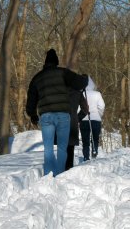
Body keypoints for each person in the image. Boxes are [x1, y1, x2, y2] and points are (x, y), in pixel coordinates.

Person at [26, 49, 88, 177]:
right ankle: (60, 175)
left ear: (45, 62)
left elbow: (31, 97)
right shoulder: (63, 73)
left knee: (48, 149)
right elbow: (79, 83)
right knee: (62, 148)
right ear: (56, 61)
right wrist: (85, 78)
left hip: (46, 116)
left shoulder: (37, 77)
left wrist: (32, 114)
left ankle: (49, 175)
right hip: (62, 115)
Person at [80, 76, 105, 161]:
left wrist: (79, 117)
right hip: (95, 119)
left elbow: (78, 108)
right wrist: (99, 115)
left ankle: (86, 157)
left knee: (85, 140)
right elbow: (101, 106)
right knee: (95, 139)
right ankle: (94, 154)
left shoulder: (81, 94)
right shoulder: (97, 94)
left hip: (83, 119)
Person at [65, 89, 89, 171]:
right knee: (70, 147)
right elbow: (85, 109)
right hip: (72, 120)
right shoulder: (78, 92)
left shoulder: (59, 88)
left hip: (60, 120)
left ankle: (60, 169)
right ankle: (68, 168)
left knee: (62, 146)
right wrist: (77, 118)